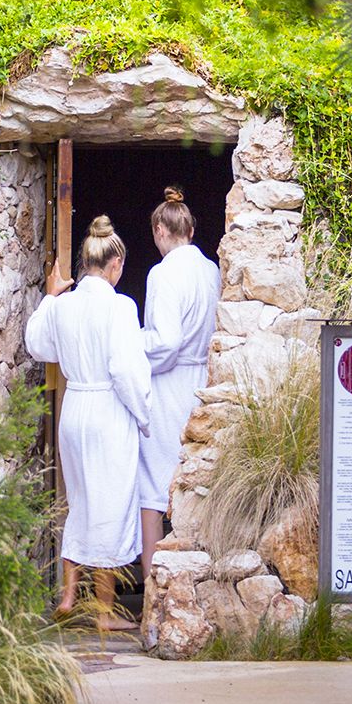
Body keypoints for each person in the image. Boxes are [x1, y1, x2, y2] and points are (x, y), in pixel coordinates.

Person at [25, 214, 152, 629]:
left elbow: (39, 345)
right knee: (110, 507)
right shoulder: (120, 306)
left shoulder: (64, 306)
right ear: (115, 265)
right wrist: (144, 416)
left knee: (79, 503)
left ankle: (66, 597)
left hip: (74, 409)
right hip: (107, 412)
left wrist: (49, 297)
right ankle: (104, 613)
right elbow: (126, 371)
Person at [139, 186, 221, 576]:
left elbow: (166, 341)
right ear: (190, 229)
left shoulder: (163, 272)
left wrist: (131, 343)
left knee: (154, 488)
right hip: (203, 382)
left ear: (159, 230)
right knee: (196, 484)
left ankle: (156, 589)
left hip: (170, 383)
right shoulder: (211, 270)